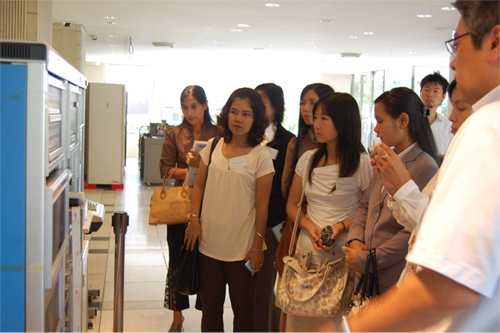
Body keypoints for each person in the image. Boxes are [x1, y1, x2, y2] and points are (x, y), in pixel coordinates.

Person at [342, 1, 500, 330]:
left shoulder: (488, 127)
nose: (453, 61)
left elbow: (448, 283)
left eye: (457, 45)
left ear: (494, 42)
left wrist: (349, 328)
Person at [184, 88, 275, 332]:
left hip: (243, 251)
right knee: (210, 315)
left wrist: (257, 246)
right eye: (234, 112)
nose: (238, 118)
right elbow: (199, 186)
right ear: (226, 114)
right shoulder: (212, 147)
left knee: (244, 317)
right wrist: (194, 219)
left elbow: (262, 205)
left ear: (256, 119)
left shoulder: (261, 156)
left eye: (246, 114)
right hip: (209, 246)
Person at [370, 79, 473, 288]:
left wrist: (402, 186)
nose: (452, 116)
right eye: (427, 89)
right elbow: (415, 220)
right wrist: (394, 189)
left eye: (460, 108)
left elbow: (436, 227)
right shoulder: (457, 159)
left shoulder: (426, 163)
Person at [284, 92, 373, 331]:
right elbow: (292, 205)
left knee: (334, 318)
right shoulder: (308, 159)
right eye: (315, 117)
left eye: (324, 118)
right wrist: (310, 226)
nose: (316, 124)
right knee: (301, 313)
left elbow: (370, 213)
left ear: (343, 121)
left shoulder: (362, 163)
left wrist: (340, 227)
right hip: (307, 250)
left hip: (342, 252)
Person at [344, 87, 439, 295]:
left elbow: (413, 229)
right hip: (364, 263)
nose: (376, 129)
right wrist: (355, 241)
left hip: (390, 271)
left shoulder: (425, 165)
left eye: (380, 121)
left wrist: (370, 258)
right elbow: (365, 204)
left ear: (403, 121)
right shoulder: (387, 158)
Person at [159, 85, 220, 332]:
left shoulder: (220, 133)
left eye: (194, 106)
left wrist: (204, 166)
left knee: (208, 260)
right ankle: (177, 319)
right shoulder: (174, 134)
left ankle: (208, 316)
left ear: (205, 104)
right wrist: (192, 169)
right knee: (177, 258)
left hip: (211, 202)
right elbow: (164, 171)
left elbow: (226, 168)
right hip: (181, 204)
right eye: (185, 107)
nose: (189, 112)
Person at [276, 83, 334, 331]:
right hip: (300, 224)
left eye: (314, 103)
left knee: (329, 300)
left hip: (333, 234)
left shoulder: (354, 155)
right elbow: (287, 190)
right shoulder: (298, 145)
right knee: (290, 294)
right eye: (303, 103)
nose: (307, 109)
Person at [253, 83, 295, 332]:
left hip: (273, 224)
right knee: (253, 285)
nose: (257, 109)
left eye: (263, 104)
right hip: (247, 222)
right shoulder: (246, 139)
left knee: (269, 285)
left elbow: (285, 187)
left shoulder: (287, 141)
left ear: (276, 108)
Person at [420, 72, 454, 156]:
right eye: (427, 90)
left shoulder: (449, 127)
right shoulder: (410, 122)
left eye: (436, 91)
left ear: (443, 96)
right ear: (421, 93)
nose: (430, 94)